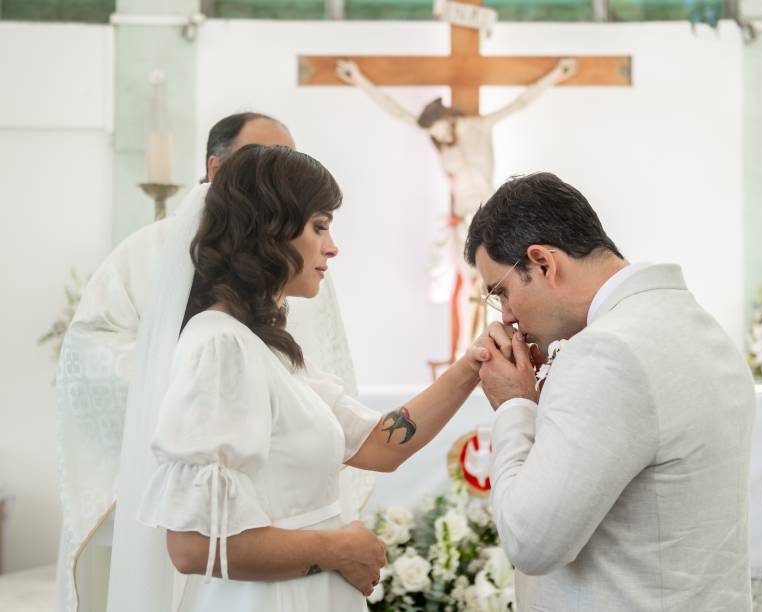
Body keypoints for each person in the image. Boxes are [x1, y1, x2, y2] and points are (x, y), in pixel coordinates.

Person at [107, 145, 492, 612]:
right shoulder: (219, 346)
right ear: (268, 231)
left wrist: (474, 364)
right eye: (319, 226)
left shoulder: (263, 347)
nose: (332, 247)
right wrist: (336, 548)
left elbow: (380, 446)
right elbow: (191, 546)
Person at [54, 112, 367, 612]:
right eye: (259, 161)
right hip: (221, 523)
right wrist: (206, 397)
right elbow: (96, 349)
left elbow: (321, 384)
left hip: (289, 521)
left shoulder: (299, 272)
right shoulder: (157, 265)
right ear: (217, 170)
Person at [466, 172, 756, 611]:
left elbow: (531, 542)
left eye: (502, 292)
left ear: (543, 263)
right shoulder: (691, 321)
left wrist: (514, 405)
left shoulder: (606, 353)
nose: (505, 317)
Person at [335, 58, 577, 362]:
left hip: (492, 217)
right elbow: (397, 112)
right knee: (467, 292)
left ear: (448, 119)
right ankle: (469, 349)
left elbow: (521, 102)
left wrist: (556, 74)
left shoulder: (478, 127)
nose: (437, 136)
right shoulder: (441, 138)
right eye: (432, 132)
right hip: (462, 220)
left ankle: (511, 342)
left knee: (499, 286)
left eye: (438, 128)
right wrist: (358, 78)